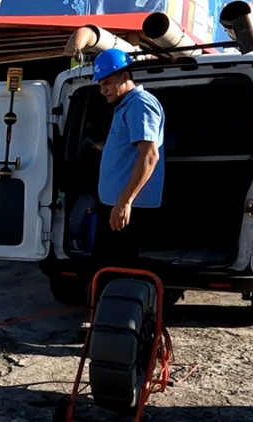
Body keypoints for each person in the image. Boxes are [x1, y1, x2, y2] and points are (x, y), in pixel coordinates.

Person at [90, 47, 165, 270]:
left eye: (107, 83)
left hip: (127, 210)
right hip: (116, 206)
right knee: (106, 270)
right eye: (100, 84)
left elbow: (150, 155)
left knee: (119, 272)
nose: (102, 90)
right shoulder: (125, 105)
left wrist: (125, 202)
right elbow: (129, 148)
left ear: (125, 76)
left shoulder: (140, 103)